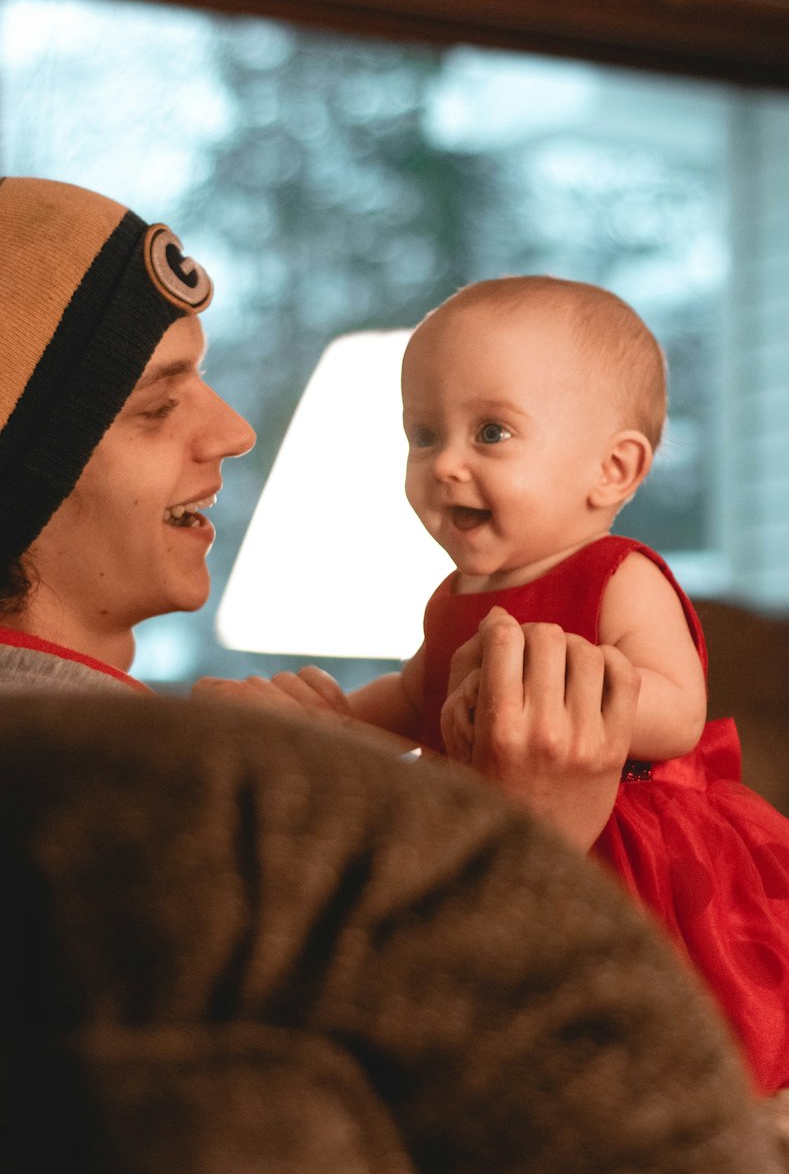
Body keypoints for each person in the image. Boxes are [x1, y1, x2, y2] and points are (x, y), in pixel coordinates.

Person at [281, 274, 789, 1091]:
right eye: (422, 435)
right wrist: (336, 720)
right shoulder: (454, 600)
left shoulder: (617, 576)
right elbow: (419, 703)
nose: (444, 464)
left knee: (685, 1044)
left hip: (649, 850)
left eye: (490, 432)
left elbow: (677, 711)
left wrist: (569, 699)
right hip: (506, 837)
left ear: (613, 469)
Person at [0, 178, 638, 845]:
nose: (235, 432)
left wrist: (327, 769)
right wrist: (531, 833)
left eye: (203, 380)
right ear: (28, 480)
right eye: (157, 407)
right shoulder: (93, 786)